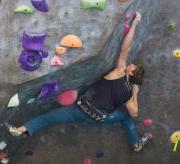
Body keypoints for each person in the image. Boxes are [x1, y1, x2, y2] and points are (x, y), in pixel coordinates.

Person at [7, 12, 151, 152]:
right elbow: (134, 113)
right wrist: (135, 93)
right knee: (125, 116)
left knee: (47, 118)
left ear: (131, 72)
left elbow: (125, 48)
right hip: (96, 118)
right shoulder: (130, 93)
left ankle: (22, 131)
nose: (130, 64)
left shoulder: (120, 71)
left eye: (133, 66)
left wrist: (135, 23)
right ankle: (136, 144)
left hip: (80, 110)